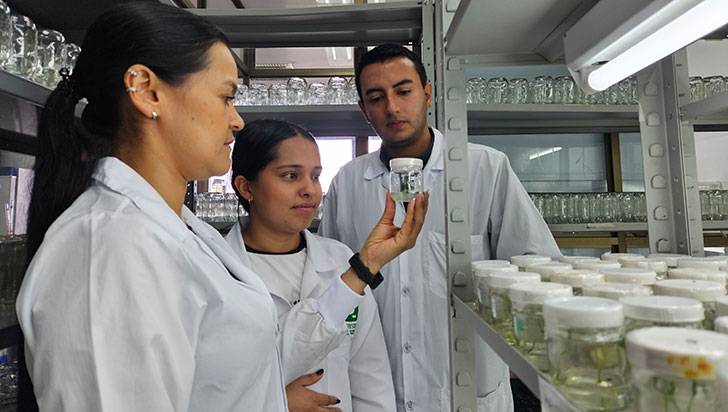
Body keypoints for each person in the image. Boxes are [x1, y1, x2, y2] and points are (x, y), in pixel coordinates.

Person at [16, 4, 426, 410]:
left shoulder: (178, 230)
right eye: (226, 97)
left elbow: (256, 365)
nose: (238, 121)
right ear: (147, 90)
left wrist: (364, 265)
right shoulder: (108, 247)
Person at [319, 44, 561, 412]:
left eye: (404, 91)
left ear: (427, 93)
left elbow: (539, 269)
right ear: (364, 110)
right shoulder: (348, 183)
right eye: (376, 97)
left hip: (466, 390)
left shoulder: (484, 168)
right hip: (375, 393)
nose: (392, 108)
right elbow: (331, 290)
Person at [226, 119, 403, 411]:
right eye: (291, 176)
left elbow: (371, 380)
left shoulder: (340, 262)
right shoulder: (217, 269)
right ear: (246, 187)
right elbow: (212, 389)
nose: (310, 190)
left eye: (316, 176)